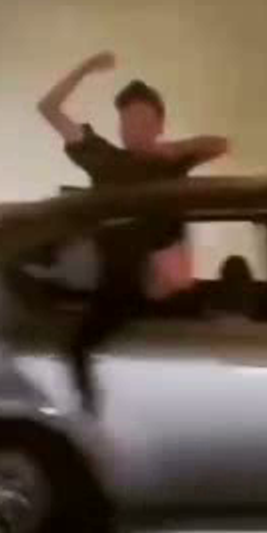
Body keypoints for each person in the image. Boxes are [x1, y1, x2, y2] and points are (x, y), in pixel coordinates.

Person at [37, 51, 229, 414]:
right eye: (126, 120)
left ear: (160, 124)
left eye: (142, 120)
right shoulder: (104, 158)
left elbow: (221, 144)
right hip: (118, 293)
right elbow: (48, 108)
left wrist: (174, 149)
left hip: (172, 296)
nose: (132, 127)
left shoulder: (171, 160)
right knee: (77, 351)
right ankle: (91, 419)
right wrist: (86, 68)